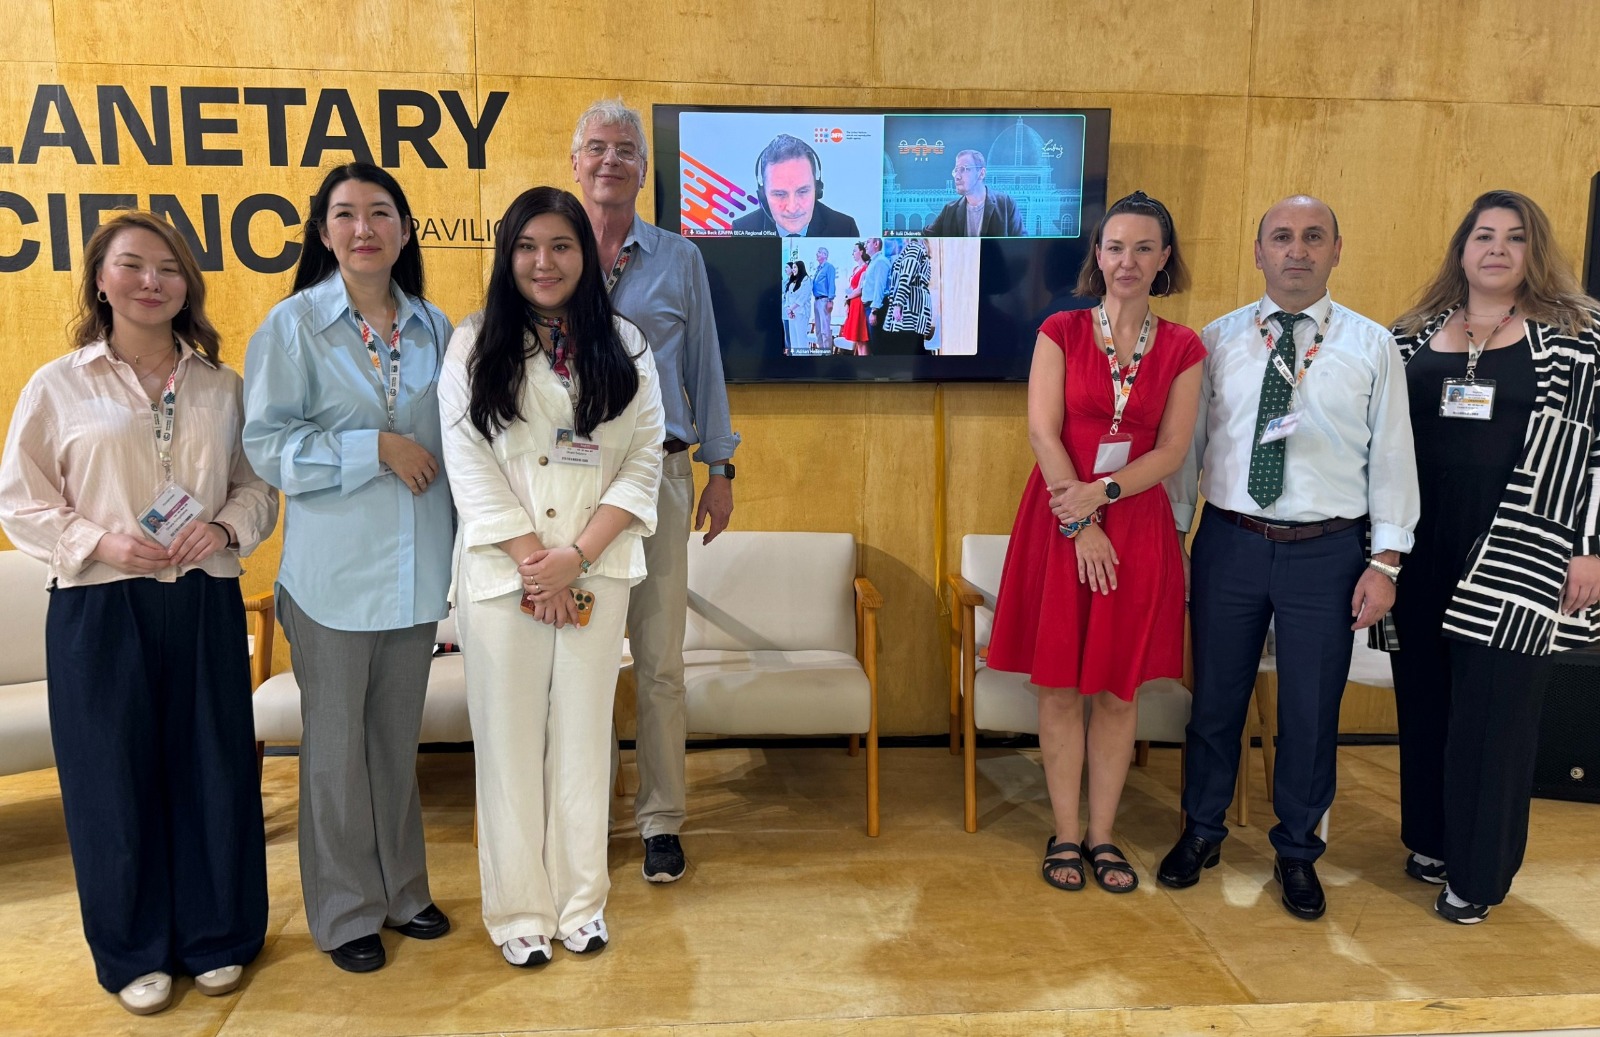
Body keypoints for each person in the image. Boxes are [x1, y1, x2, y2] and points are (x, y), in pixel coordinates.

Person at [0, 210, 278, 1015]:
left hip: (201, 596)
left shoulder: (222, 386)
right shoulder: (60, 384)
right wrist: (99, 542)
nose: (152, 280)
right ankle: (133, 951)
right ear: (100, 279)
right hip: (98, 606)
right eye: (133, 265)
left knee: (214, 766)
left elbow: (257, 486)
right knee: (109, 779)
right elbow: (20, 501)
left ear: (188, 284)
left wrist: (224, 527)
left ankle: (219, 933)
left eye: (169, 267)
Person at [1161, 195, 1420, 921]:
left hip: (1328, 554)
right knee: (1214, 702)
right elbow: (1191, 454)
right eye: (1282, 237)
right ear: (1258, 251)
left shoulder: (1372, 347)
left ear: (1338, 249)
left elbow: (1394, 458)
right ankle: (1202, 829)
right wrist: (1177, 538)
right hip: (1230, 544)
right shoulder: (1216, 342)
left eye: (1313, 237)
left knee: (1311, 712)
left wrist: (1388, 561)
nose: (1296, 250)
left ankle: (1298, 849)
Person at [439, 186, 664, 966]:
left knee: (582, 740)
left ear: (586, 256)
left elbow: (642, 460)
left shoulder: (627, 344)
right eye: (528, 246)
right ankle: (519, 911)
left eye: (561, 246)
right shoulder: (473, 344)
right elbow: (467, 463)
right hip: (508, 580)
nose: (545, 261)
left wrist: (578, 559)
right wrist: (540, 565)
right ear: (508, 255)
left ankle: (581, 901)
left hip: (597, 573)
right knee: (507, 744)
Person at [243, 163, 455, 972]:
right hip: (333, 581)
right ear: (324, 232)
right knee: (332, 756)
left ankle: (403, 890)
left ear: (404, 229)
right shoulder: (293, 326)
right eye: (344, 214)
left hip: (415, 575)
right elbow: (267, 446)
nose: (363, 227)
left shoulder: (437, 326)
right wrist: (375, 449)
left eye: (380, 212)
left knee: (393, 746)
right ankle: (343, 911)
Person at [1384, 189, 1600, 924]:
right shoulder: (1410, 335)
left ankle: (1478, 875)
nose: (1498, 249)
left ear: (1535, 251)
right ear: (1462, 248)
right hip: (1419, 542)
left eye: (1514, 237)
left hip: (1522, 543)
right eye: (1484, 235)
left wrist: (1592, 548)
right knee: (1427, 698)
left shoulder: (1578, 337)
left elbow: (1598, 453)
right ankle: (1434, 839)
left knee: (1497, 716)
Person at [987, 191, 1202, 893]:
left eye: (1144, 248)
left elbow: (1172, 451)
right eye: (1115, 247)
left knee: (1117, 690)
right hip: (1058, 522)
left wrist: (1102, 497)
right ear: (1097, 256)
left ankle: (1105, 835)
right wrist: (1079, 521)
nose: (1127, 261)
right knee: (1056, 688)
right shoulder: (1061, 330)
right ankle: (1066, 833)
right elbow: (1043, 431)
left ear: (1164, 258)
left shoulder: (1183, 347)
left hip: (1134, 526)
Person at [571, 99, 740, 882]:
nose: (611, 161)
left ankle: (661, 820)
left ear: (644, 169)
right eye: (597, 149)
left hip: (663, 477)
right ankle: (583, 814)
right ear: (575, 163)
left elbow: (703, 363)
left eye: (626, 150)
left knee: (661, 660)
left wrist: (722, 465)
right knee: (583, 658)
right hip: (569, 483)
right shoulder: (546, 252)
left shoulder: (678, 258)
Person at [730, 133, 860, 236]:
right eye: (780, 194)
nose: (792, 208)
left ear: (817, 189)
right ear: (763, 196)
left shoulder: (844, 228)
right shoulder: (743, 229)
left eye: (803, 191)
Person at [926, 150, 1023, 237]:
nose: (957, 176)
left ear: (981, 173)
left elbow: (1022, 244)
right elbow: (924, 236)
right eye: (956, 170)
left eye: (964, 169)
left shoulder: (1006, 205)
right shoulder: (950, 210)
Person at [877, 238, 935, 355]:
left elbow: (906, 276)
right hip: (915, 302)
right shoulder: (919, 250)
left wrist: (898, 304)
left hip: (910, 304)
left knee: (907, 348)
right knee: (915, 347)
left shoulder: (913, 248)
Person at [840, 241, 871, 355]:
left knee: (862, 339)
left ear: (861, 252)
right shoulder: (855, 269)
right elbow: (851, 287)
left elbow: (859, 289)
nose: (852, 253)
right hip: (852, 303)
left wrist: (847, 297)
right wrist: (847, 300)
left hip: (859, 303)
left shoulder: (866, 268)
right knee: (857, 340)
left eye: (854, 251)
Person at [861, 237, 892, 352]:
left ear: (876, 244)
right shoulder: (873, 262)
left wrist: (874, 310)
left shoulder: (880, 261)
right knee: (874, 344)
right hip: (870, 306)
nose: (865, 246)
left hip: (876, 308)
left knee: (878, 344)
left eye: (868, 242)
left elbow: (880, 287)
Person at [783, 259, 812, 355]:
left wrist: (792, 308)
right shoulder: (792, 282)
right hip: (792, 314)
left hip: (801, 313)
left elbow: (803, 297)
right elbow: (788, 297)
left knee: (801, 339)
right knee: (794, 339)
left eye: (795, 267)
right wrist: (789, 310)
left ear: (800, 268)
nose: (793, 269)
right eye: (793, 267)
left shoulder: (807, 280)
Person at [813, 247, 837, 354]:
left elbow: (831, 284)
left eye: (819, 252)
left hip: (824, 300)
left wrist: (830, 300)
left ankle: (827, 353)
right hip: (816, 300)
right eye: (817, 252)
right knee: (818, 329)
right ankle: (821, 351)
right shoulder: (818, 269)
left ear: (825, 255)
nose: (817, 254)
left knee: (824, 329)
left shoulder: (829, 267)